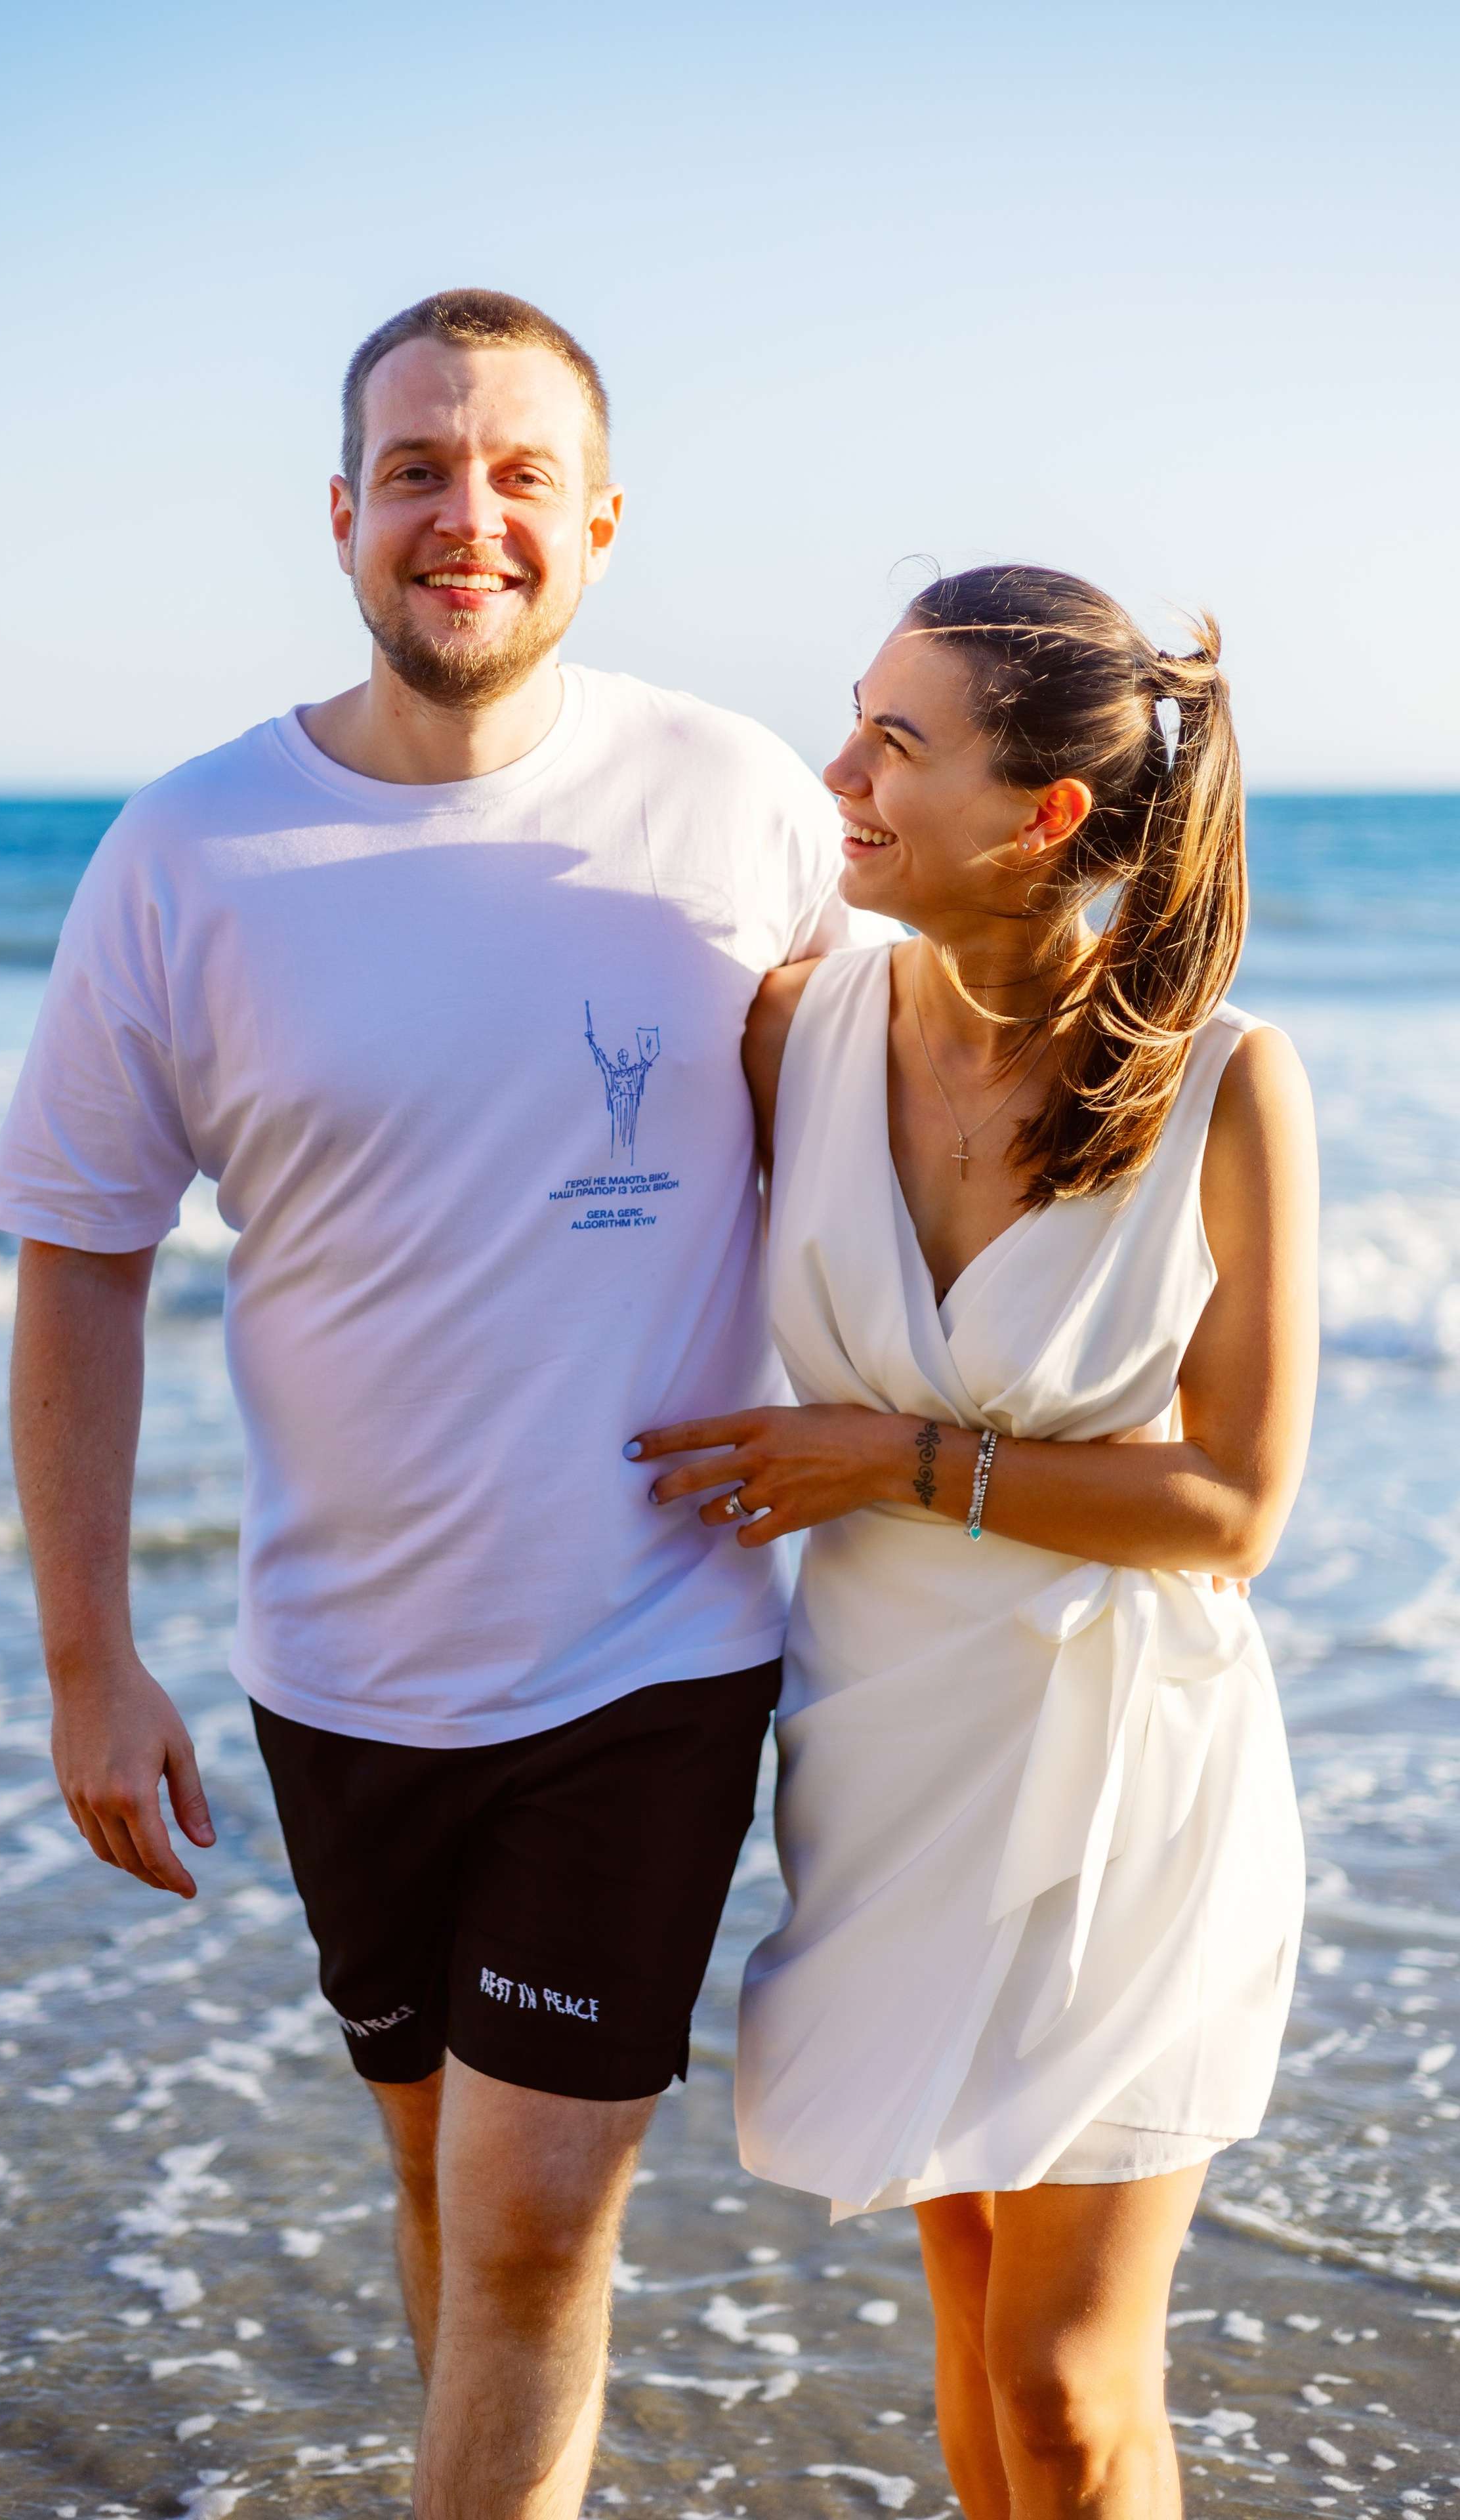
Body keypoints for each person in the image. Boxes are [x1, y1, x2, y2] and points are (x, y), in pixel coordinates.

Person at [0, 289, 848, 2518]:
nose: (472, 516)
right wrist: (92, 1662)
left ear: (607, 520)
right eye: (424, 471)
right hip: (340, 1669)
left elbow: (920, 1110)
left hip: (658, 1645)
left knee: (543, 2223)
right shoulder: (188, 851)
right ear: (344, 513)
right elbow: (84, 1251)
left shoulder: (737, 798)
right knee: (457, 2194)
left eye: (523, 471)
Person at [627, 566, 1315, 2519]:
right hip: (886, 1753)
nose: (837, 771)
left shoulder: (1224, 1086)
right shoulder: (790, 1033)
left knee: (1070, 2387)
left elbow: (1234, 1507)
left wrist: (894, 1458)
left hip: (1121, 1783)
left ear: (1049, 820)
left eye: (895, 744)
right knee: (971, 2353)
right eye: (854, 716)